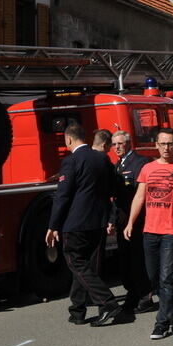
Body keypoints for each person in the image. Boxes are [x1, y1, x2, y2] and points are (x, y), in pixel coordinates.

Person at [124, 128, 173, 340]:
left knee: (166, 278)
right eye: (163, 144)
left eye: (170, 143)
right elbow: (139, 197)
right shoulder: (147, 168)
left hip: (172, 231)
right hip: (149, 231)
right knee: (153, 277)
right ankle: (170, 307)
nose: (166, 147)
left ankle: (162, 323)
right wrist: (130, 222)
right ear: (156, 145)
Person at [46, 124, 120, 327]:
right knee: (87, 266)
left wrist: (53, 225)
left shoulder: (71, 161)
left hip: (75, 222)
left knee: (76, 262)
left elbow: (62, 196)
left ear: (69, 140)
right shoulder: (102, 159)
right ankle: (78, 310)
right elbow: (110, 191)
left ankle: (107, 302)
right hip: (97, 221)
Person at [110, 131, 153, 314]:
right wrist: (113, 218)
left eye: (120, 143)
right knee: (125, 260)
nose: (117, 147)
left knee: (138, 259)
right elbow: (116, 196)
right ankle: (132, 294)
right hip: (122, 219)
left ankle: (145, 295)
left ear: (128, 144)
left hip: (137, 219)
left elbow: (139, 193)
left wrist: (131, 216)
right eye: (114, 144)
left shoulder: (140, 162)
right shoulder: (117, 165)